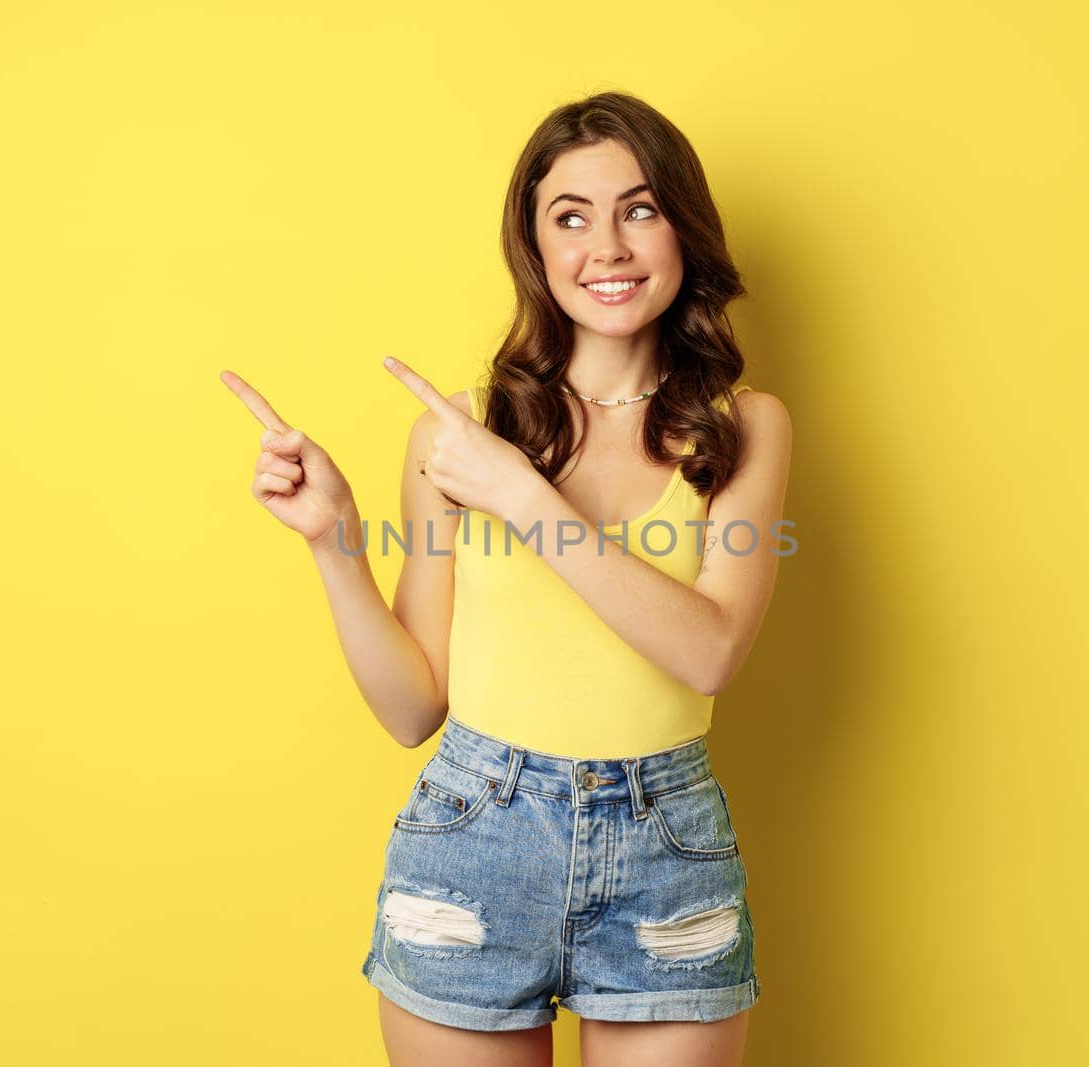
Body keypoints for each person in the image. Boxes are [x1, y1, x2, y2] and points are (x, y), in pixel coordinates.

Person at [221, 90, 792, 1067]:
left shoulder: (745, 427)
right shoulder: (457, 436)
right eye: (569, 216)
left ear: (682, 229)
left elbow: (708, 652)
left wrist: (523, 497)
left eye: (638, 209)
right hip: (472, 836)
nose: (606, 247)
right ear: (533, 246)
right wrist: (334, 543)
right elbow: (412, 707)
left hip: (664, 855)